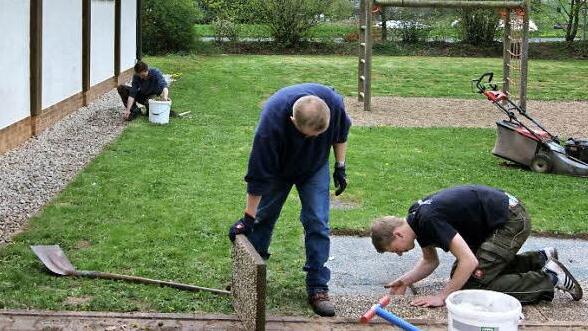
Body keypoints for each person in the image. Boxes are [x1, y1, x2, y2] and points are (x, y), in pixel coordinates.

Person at [228, 83, 352, 317]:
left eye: (320, 135)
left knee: (318, 222)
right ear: (293, 122)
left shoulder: (333, 104)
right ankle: (249, 276)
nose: (316, 139)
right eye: (312, 136)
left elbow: (341, 134)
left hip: (314, 168)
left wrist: (340, 166)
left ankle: (317, 286)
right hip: (278, 169)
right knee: (263, 219)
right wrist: (247, 217)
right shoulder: (271, 124)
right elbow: (258, 175)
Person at [370, 185, 583, 308]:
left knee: (471, 286)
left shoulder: (426, 220)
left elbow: (469, 261)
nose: (399, 254)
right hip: (502, 218)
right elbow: (430, 261)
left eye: (394, 249)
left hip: (511, 221)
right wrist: (405, 280)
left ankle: (550, 278)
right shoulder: (416, 218)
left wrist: (442, 296)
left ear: (397, 234)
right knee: (462, 276)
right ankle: (540, 259)